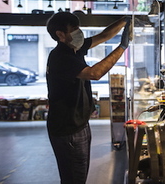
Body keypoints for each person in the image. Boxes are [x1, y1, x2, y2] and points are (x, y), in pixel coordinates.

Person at [46, 12, 131, 183]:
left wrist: (126, 21)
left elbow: (104, 35)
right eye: (74, 29)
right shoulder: (61, 57)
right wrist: (122, 47)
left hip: (79, 124)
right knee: (74, 178)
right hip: (68, 129)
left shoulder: (74, 48)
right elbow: (95, 73)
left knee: (80, 173)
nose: (79, 32)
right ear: (60, 34)